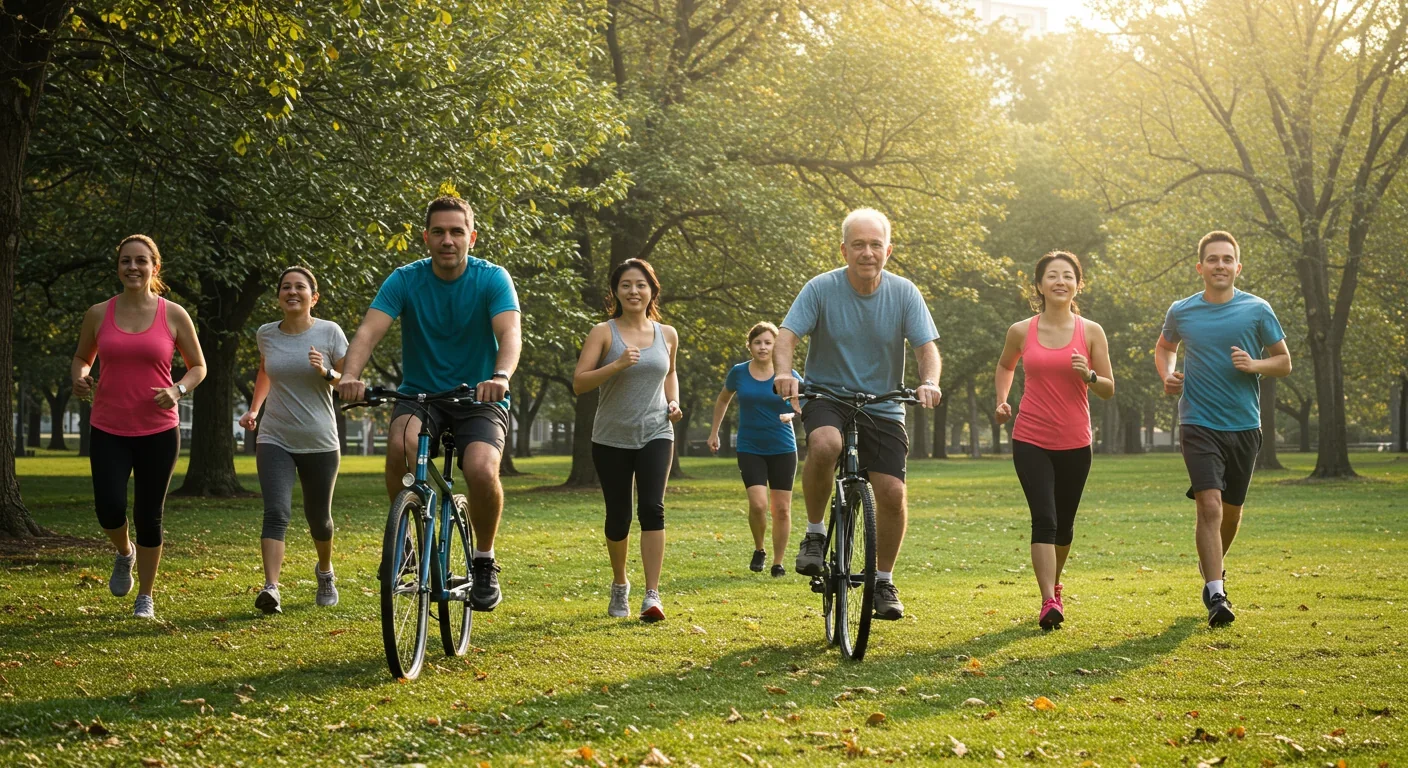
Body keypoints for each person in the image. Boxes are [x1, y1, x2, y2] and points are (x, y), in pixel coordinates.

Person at [336, 196, 521, 613]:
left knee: (479, 468)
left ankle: (484, 559)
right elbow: (368, 331)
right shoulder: (405, 279)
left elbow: (510, 333)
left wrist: (500, 377)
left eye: (457, 232)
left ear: (471, 237)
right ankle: (405, 545)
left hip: (479, 395)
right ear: (426, 238)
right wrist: (350, 375)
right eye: (438, 232)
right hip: (421, 394)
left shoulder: (492, 279)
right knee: (400, 445)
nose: (448, 240)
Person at [773, 208, 942, 621]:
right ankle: (814, 536)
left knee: (892, 493)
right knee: (825, 443)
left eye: (875, 244)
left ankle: (883, 579)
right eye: (859, 244)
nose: (868, 252)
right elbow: (786, 336)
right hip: (827, 394)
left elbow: (926, 350)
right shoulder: (821, 288)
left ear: (889, 249)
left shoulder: (904, 293)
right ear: (844, 249)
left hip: (883, 402)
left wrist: (930, 381)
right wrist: (782, 372)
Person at [1155, 231, 1291, 627]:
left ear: (1237, 266)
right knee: (1209, 505)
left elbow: (1283, 361)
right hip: (1197, 421)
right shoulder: (1182, 311)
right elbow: (1165, 347)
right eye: (1212, 259)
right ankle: (1217, 593)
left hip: (1244, 424)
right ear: (1200, 267)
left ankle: (1212, 567)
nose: (1220, 265)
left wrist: (1255, 365)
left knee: (1231, 512)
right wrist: (1168, 375)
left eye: (1227, 259)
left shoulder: (1257, 309)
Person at [71, 235, 207, 619]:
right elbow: (83, 356)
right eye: (126, 261)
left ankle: (145, 595)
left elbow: (199, 366)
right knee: (109, 508)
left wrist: (177, 390)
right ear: (118, 267)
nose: (133, 267)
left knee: (150, 514)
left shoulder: (174, 314)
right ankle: (124, 552)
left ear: (154, 267)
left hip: (159, 430)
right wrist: (80, 376)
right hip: (109, 426)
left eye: (141, 261)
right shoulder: (99, 313)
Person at [994, 251, 1114, 629]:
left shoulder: (1091, 331)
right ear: (1040, 285)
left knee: (1064, 525)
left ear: (1078, 284)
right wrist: (1002, 399)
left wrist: (1090, 376)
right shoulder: (1021, 331)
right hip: (1030, 437)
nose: (1060, 281)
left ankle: (1055, 585)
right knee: (1044, 519)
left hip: (1076, 442)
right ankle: (1048, 600)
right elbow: (1005, 365)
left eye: (1067, 276)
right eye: (1052, 276)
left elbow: (1109, 389)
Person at [573, 258, 682, 622]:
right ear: (616, 292)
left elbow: (671, 374)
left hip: (656, 431)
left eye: (640, 285)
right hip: (611, 436)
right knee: (619, 517)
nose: (633, 291)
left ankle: (652, 595)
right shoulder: (603, 332)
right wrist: (616, 365)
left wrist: (674, 401)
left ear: (652, 290)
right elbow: (579, 383)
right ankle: (620, 584)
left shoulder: (667, 334)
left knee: (652, 508)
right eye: (625, 285)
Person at [239, 267, 349, 614]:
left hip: (320, 440)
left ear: (313, 297)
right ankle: (271, 588)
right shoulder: (266, 334)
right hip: (275, 437)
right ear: (278, 297)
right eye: (286, 287)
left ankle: (325, 572)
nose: (292, 292)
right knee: (276, 512)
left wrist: (326, 372)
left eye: (300, 287)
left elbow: (349, 382)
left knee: (319, 518)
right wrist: (255, 409)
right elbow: (264, 370)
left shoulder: (330, 333)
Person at [707, 322, 800, 577]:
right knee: (758, 505)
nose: (763, 347)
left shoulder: (787, 372)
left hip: (783, 447)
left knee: (781, 509)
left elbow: (802, 401)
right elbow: (723, 398)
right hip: (750, 447)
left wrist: (792, 413)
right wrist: (714, 432)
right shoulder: (739, 372)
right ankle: (760, 548)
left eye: (768, 342)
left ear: (775, 345)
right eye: (758, 342)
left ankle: (778, 562)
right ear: (749, 345)